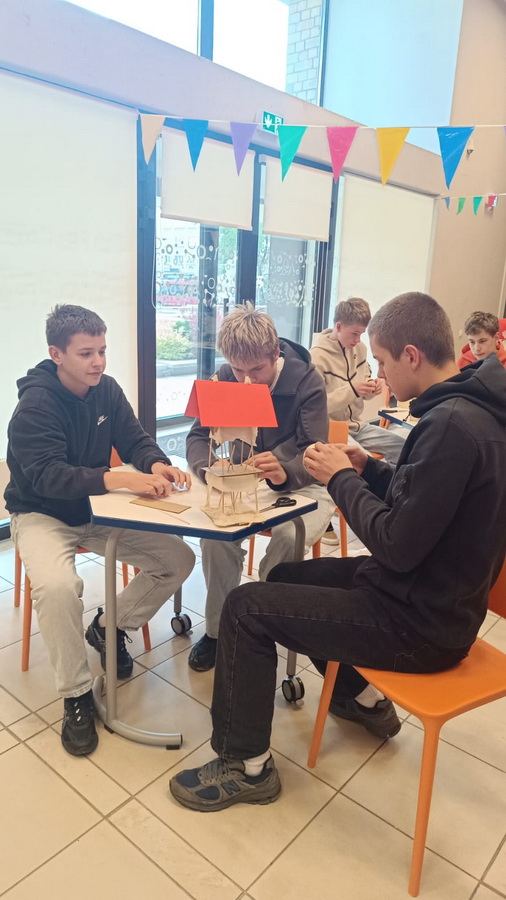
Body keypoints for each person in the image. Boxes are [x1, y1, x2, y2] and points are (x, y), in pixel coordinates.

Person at [169, 291, 506, 812]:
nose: (379, 376)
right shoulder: (469, 413)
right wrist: (371, 469)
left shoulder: (451, 427)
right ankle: (361, 697)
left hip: (420, 624)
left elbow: (394, 545)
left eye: (383, 362)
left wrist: (342, 478)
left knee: (245, 607)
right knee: (284, 578)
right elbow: (421, 505)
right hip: (430, 595)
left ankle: (246, 766)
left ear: (412, 355)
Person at [5, 304, 195, 757]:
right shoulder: (34, 407)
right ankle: (75, 695)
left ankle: (108, 628)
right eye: (86, 353)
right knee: (57, 587)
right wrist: (120, 479)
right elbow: (48, 477)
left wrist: (156, 464)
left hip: (95, 509)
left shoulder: (106, 389)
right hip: (42, 513)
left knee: (179, 559)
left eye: (103, 351)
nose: (98, 362)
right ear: (56, 354)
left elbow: (133, 438)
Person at [185, 304, 336, 673]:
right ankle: (220, 630)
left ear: (275, 353)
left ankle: (260, 618)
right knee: (216, 538)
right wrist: (210, 467)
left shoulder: (307, 381)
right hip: (246, 481)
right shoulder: (225, 378)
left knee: (288, 535)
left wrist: (284, 472)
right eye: (238, 370)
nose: (247, 380)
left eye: (256, 370)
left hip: (308, 484)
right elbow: (197, 437)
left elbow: (315, 450)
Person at [310, 297, 406, 465]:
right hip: (331, 430)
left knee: (405, 447)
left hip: (357, 427)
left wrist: (372, 388)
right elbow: (316, 407)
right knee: (365, 461)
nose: (357, 340)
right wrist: (352, 390)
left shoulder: (360, 349)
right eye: (354, 334)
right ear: (339, 326)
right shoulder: (316, 357)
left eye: (361, 334)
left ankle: (396, 481)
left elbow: (364, 389)